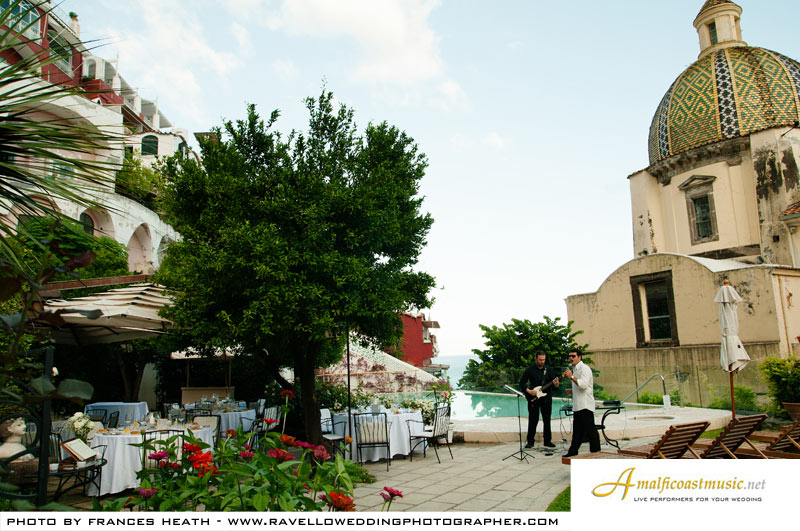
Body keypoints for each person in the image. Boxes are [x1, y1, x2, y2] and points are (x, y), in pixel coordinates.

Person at [563, 348, 600, 457]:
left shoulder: (584, 369)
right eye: (570, 356)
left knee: (590, 430)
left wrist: (571, 377)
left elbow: (583, 385)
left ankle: (596, 451)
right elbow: (579, 385)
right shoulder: (575, 369)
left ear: (579, 357)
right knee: (577, 431)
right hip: (578, 405)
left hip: (585, 405)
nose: (571, 358)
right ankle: (573, 451)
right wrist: (571, 390)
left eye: (573, 356)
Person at [519, 350, 559, 448]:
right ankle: (530, 441)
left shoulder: (549, 370)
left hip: (546, 399)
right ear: (535, 359)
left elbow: (554, 387)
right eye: (540, 360)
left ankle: (547, 441)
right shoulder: (530, 370)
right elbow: (522, 383)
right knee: (533, 420)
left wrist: (556, 384)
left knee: (547, 420)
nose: (542, 362)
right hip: (534, 398)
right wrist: (528, 391)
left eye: (543, 360)